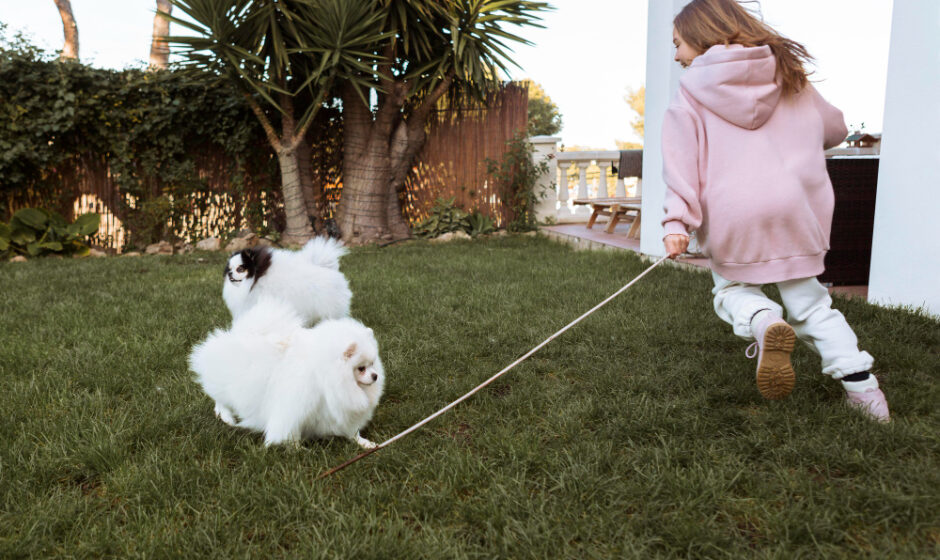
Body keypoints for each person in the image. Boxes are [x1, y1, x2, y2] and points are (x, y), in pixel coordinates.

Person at [660, 0, 889, 421]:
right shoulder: (787, 74)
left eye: (677, 44)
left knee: (731, 290)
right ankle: (866, 395)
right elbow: (835, 128)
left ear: (701, 34)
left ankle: (763, 322)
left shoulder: (691, 91)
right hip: (794, 208)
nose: (676, 55)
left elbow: (681, 164)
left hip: (734, 213)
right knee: (813, 305)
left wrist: (676, 222)